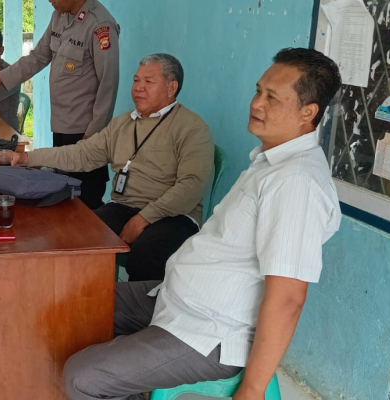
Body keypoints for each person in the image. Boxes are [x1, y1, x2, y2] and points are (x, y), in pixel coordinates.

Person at [61, 48, 342, 400]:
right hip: (176, 299)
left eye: (272, 97)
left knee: (81, 377)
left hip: (208, 331)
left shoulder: (296, 183)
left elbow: (288, 298)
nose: (257, 104)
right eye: (258, 91)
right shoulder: (270, 164)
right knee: (70, 305)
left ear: (308, 112)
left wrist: (252, 390)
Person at [0, 54, 213, 282]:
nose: (138, 88)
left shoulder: (192, 128)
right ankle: (91, 301)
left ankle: (136, 312)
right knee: (78, 235)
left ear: (171, 87)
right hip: (124, 205)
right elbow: (83, 153)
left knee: (146, 253)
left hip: (173, 215)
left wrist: (143, 219)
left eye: (148, 82)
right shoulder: (123, 124)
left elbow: (191, 186)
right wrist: (27, 158)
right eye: (136, 80)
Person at [0, 0, 119, 210]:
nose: (49, 1)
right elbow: (38, 56)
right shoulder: (59, 16)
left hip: (85, 130)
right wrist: (1, 77)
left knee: (86, 199)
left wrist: (94, 133)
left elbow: (108, 83)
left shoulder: (100, 24)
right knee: (62, 193)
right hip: (61, 123)